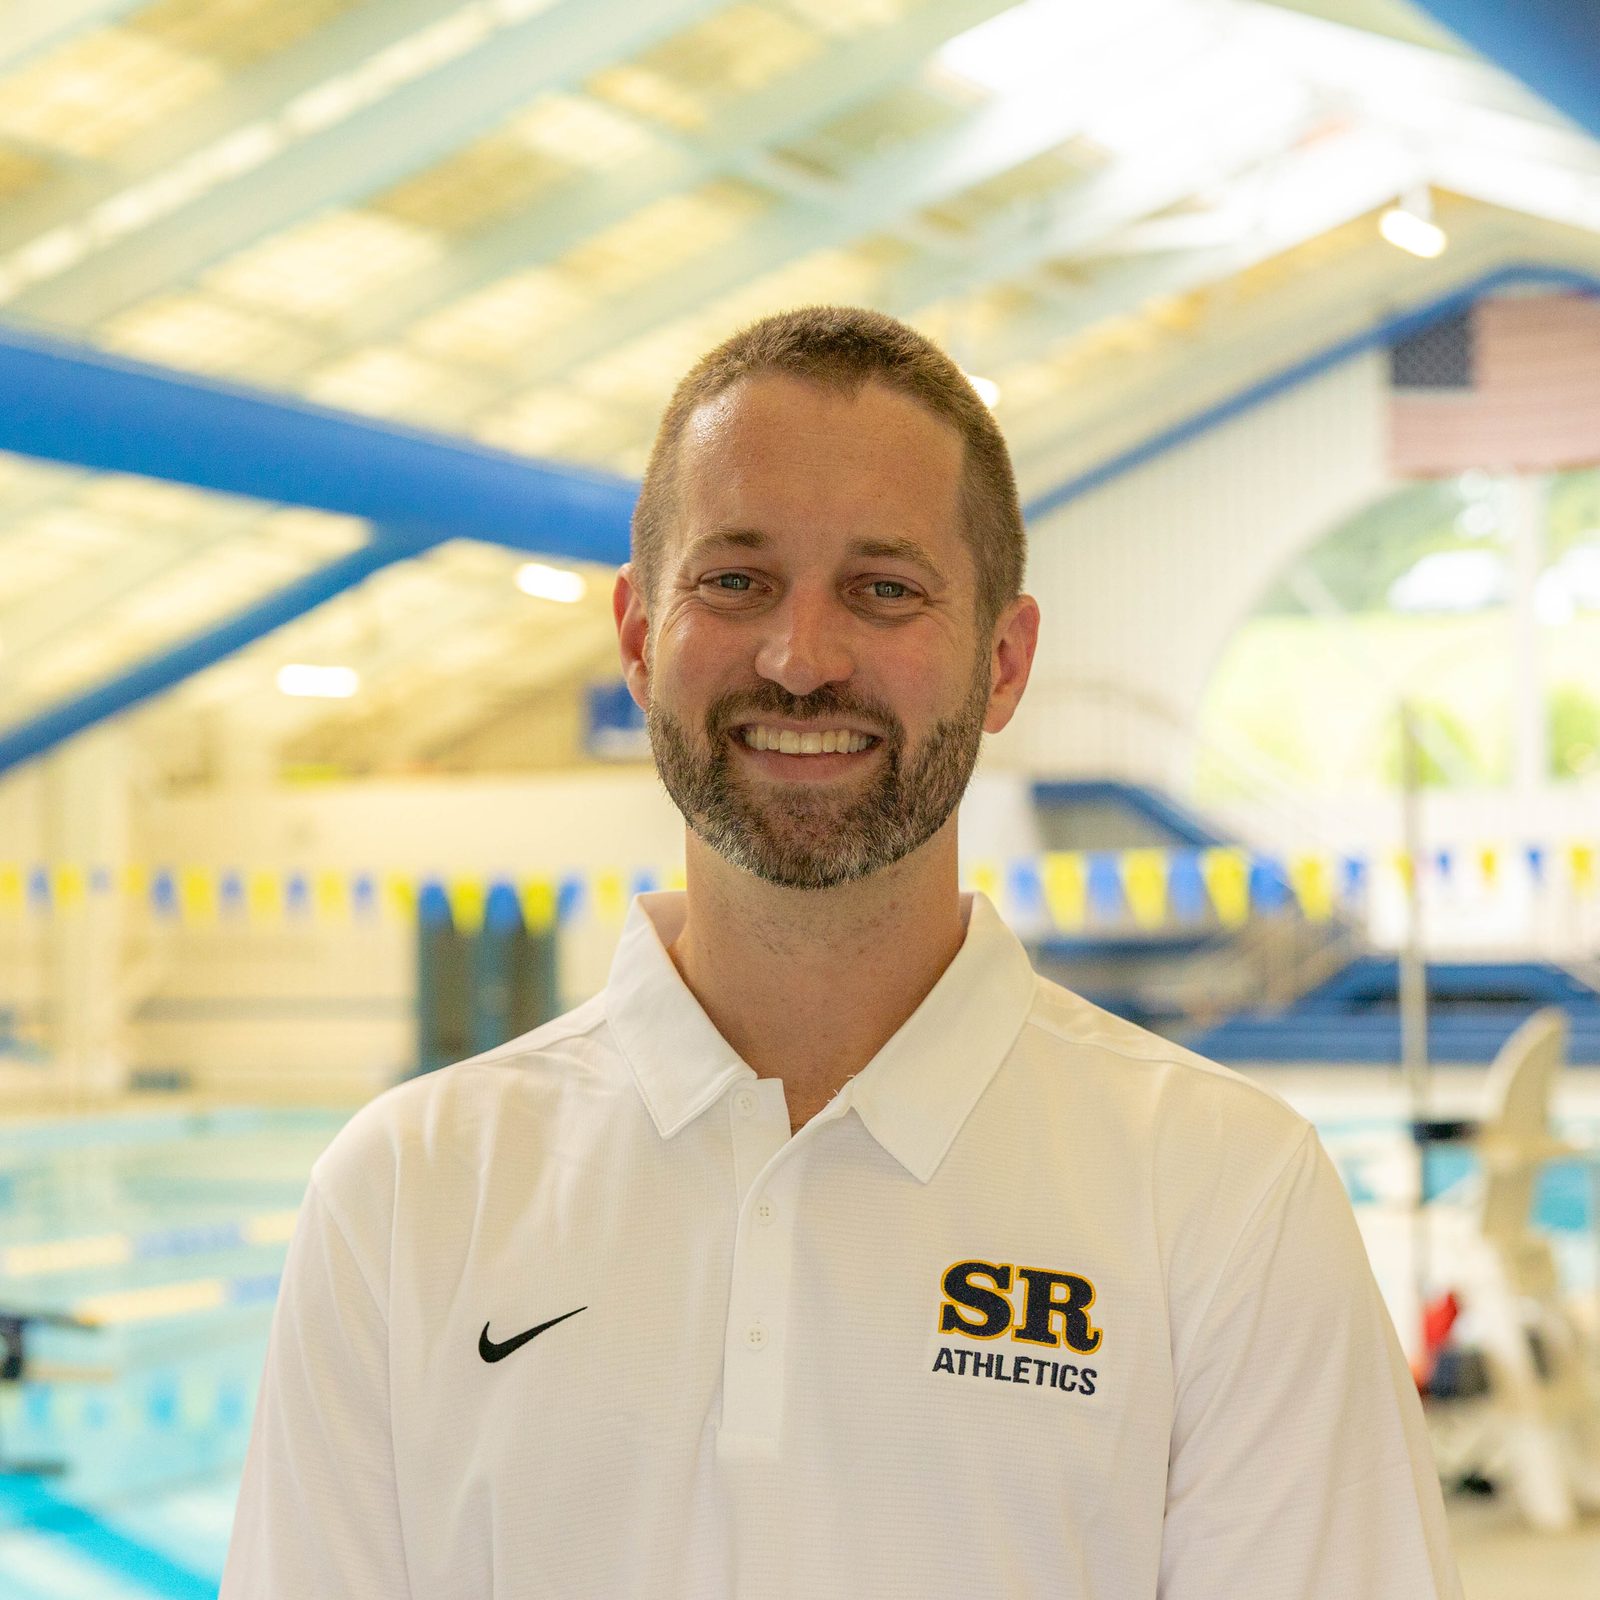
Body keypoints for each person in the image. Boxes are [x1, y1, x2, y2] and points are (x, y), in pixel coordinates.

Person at [221, 305, 1463, 1598]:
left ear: (1004, 659)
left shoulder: (1222, 1197)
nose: (801, 658)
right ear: (641, 638)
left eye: (884, 589)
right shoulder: (411, 1192)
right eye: (736, 580)